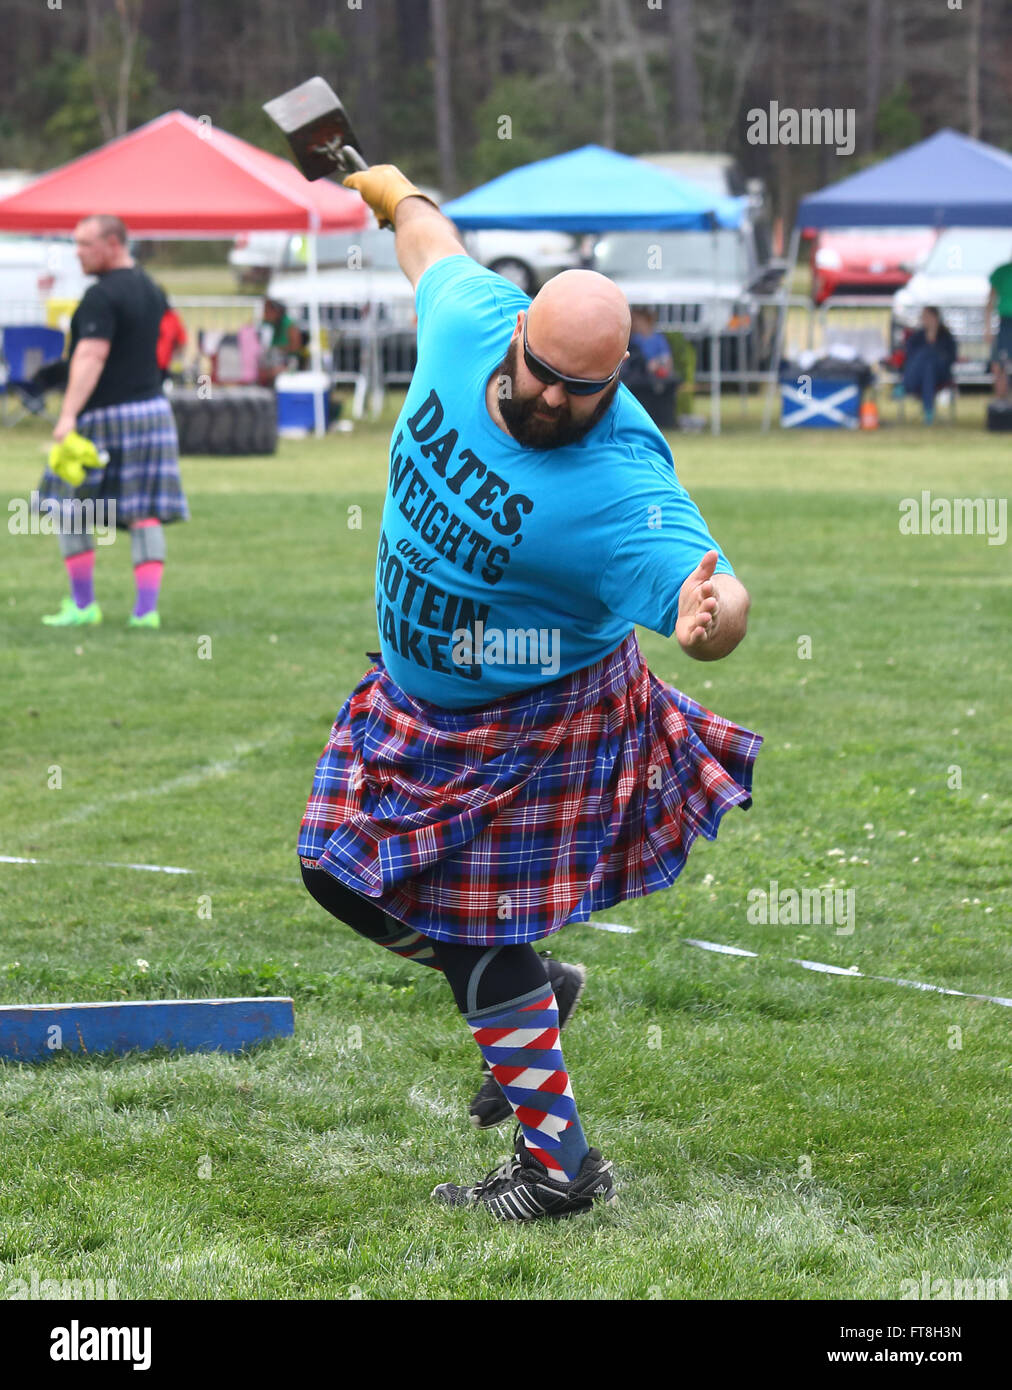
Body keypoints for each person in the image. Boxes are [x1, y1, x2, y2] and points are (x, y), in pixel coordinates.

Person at [297, 164, 761, 1222]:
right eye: (540, 371)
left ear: (618, 380)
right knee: (336, 874)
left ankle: (561, 1171)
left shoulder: (617, 479)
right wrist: (393, 188)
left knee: (470, 932)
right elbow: (430, 247)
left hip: (535, 722)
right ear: (516, 335)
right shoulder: (471, 321)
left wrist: (712, 618)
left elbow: (711, 585)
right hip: (418, 705)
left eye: (579, 388)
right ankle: (528, 988)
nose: (551, 398)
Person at [38, 215, 188, 629]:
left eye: (85, 244)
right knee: (144, 511)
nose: (78, 253)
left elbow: (91, 356)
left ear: (111, 243)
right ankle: (146, 612)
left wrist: (67, 415)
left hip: (105, 415)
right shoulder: (150, 289)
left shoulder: (100, 296)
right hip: (153, 412)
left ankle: (83, 606)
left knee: (70, 508)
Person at [621, 305, 679, 428]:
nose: (634, 324)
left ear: (646, 321)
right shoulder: (633, 340)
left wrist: (656, 364)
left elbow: (667, 360)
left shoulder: (658, 339)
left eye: (637, 320)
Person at [900, 307, 957, 424]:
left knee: (928, 358)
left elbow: (951, 357)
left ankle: (904, 386)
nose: (925, 320)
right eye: (923, 317)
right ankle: (929, 410)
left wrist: (932, 346)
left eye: (927, 317)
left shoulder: (946, 336)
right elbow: (909, 355)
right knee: (927, 367)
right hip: (919, 374)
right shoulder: (917, 336)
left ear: (936, 318)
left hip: (941, 373)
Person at [259, 297, 304, 384]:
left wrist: (279, 350)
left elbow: (295, 348)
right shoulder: (273, 324)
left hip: (288, 363)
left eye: (266, 311)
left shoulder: (290, 325)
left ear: (276, 311)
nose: (264, 314)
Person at [986, 254, 1012, 401]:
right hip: (1006, 322)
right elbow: (990, 300)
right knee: (999, 363)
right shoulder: (1002, 271)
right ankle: (1001, 402)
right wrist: (987, 327)